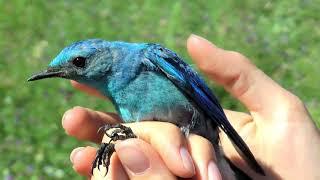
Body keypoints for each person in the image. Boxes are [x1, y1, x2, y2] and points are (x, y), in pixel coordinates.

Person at [61, 35, 320, 180]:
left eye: (80, 63)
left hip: (203, 133)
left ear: (106, 55)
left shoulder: (147, 57)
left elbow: (202, 98)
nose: (71, 72)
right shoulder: (114, 92)